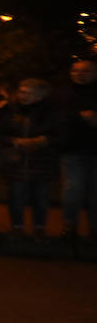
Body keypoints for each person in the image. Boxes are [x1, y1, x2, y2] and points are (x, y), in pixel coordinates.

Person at [0, 78, 62, 238]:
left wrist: (42, 141)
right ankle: (17, 227)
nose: (22, 96)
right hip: (16, 162)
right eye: (21, 91)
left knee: (40, 197)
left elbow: (61, 136)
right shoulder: (9, 111)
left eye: (27, 93)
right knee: (16, 195)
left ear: (40, 96)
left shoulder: (51, 114)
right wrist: (13, 141)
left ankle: (39, 228)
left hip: (42, 162)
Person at [58, 58, 97, 239]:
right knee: (73, 188)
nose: (80, 75)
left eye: (85, 71)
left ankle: (94, 227)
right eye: (76, 71)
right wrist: (80, 118)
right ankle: (69, 225)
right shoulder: (64, 93)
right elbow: (59, 118)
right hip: (72, 148)